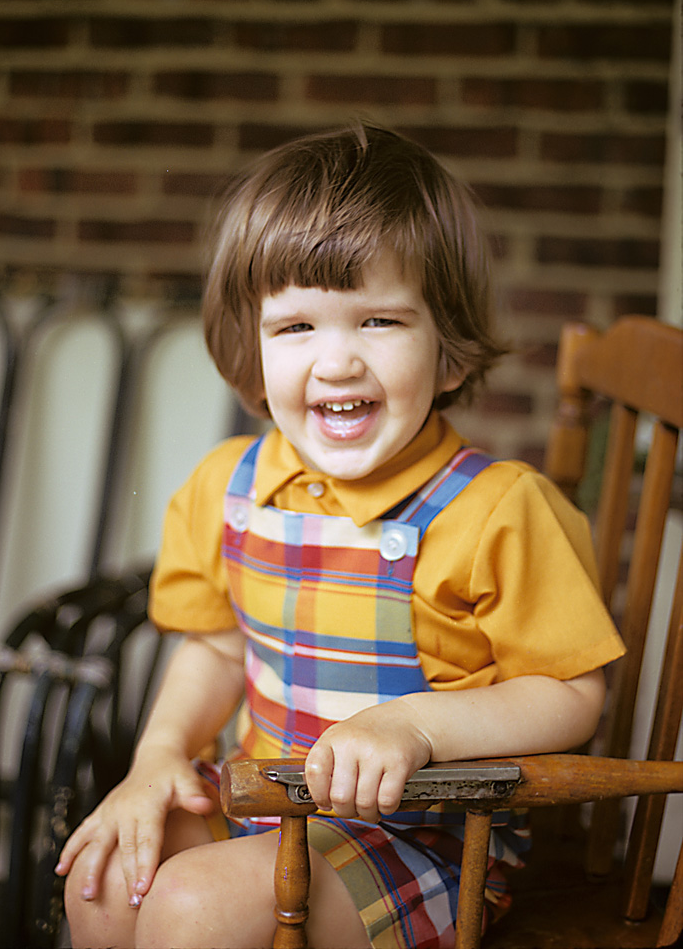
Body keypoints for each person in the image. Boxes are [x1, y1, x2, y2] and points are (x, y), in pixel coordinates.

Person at [56, 123, 625, 949]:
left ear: (451, 351)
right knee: (106, 880)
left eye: (380, 322)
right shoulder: (229, 484)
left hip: (423, 839)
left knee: (191, 908)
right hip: (265, 798)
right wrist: (157, 758)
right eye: (296, 328)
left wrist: (415, 729)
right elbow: (216, 650)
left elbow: (573, 695)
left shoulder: (496, 508)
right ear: (250, 350)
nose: (336, 363)